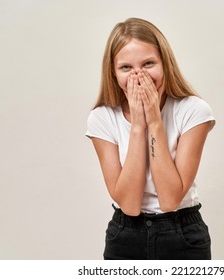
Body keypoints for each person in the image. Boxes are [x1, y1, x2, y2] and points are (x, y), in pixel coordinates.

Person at [85, 18, 216, 260]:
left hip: (182, 235)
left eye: (148, 63)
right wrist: (137, 126)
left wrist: (154, 122)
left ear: (164, 64)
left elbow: (169, 199)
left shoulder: (194, 110)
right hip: (125, 236)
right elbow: (130, 205)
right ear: (113, 74)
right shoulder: (101, 118)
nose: (138, 75)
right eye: (126, 67)